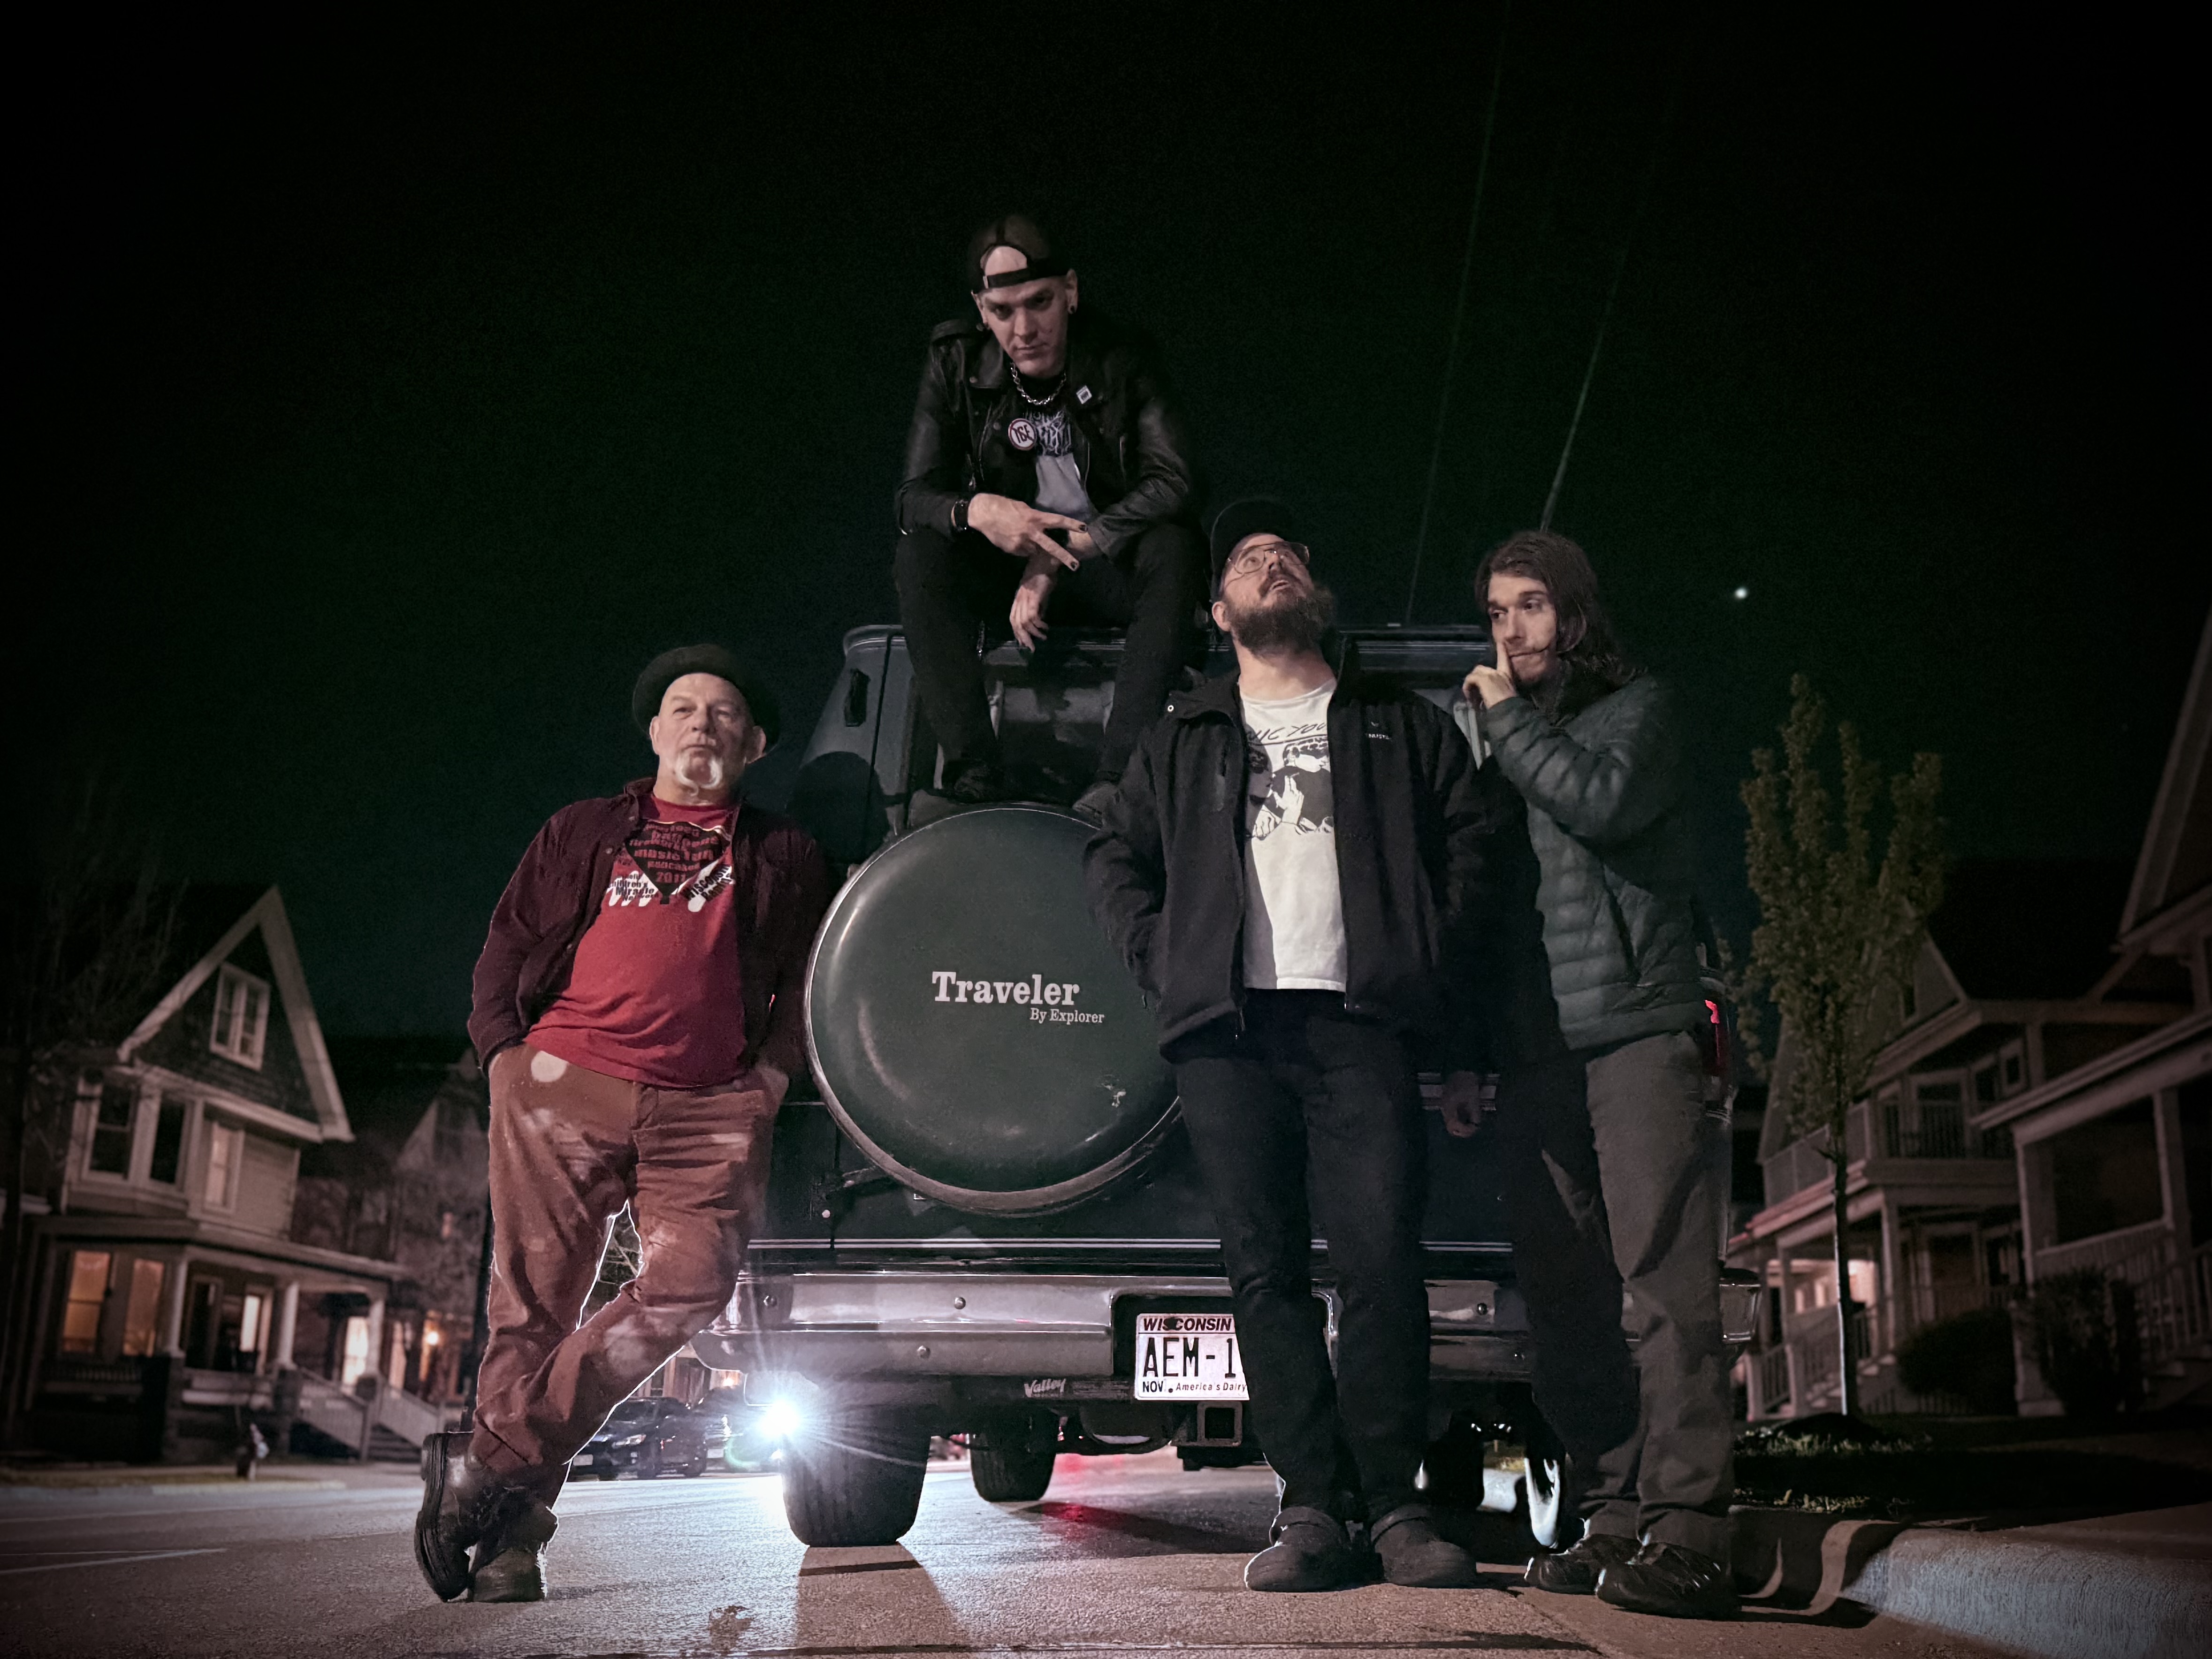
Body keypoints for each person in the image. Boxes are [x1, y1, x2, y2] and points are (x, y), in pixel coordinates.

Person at [1085, 501, 1562, 1592]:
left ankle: (1396, 1504)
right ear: (1217, 613)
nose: (1269, 563)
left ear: (1314, 593)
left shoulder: (1396, 721)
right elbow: (1112, 854)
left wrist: (1425, 957)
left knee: (1381, 1264)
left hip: (1362, 1026)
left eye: (1286, 555)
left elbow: (1474, 845)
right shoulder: (1184, 734)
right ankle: (1308, 1507)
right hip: (1228, 1036)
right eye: (1247, 562)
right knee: (1263, 1274)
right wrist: (1167, 957)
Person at [417, 645, 830, 1603]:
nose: (702, 724)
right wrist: (503, 1059)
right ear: (653, 733)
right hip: (563, 1082)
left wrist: (770, 1075)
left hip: (709, 1103)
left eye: (724, 713)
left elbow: (807, 981)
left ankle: (487, 1460)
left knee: (690, 1284)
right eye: (682, 708)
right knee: (533, 1304)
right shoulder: (582, 830)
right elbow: (510, 940)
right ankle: (510, 1542)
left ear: (755, 742)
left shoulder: (785, 853)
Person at [1451, 530, 1736, 1620]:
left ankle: (1692, 1529)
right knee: (1568, 1308)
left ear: (1571, 616)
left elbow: (1603, 804)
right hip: (1536, 1057)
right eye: (1493, 611)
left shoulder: (1640, 712)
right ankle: (1610, 1518)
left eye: (1528, 607)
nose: (1508, 630)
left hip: (1633, 1036)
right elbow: (1489, 919)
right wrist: (1476, 1051)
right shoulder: (1508, 747)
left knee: (1664, 1287)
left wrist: (1508, 725)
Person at [895, 213, 1207, 821]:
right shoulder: (955, 364)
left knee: (1174, 547)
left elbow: (1175, 480)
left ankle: (1119, 777)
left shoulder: (1121, 359)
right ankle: (973, 771)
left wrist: (1062, 551)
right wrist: (975, 509)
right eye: (1002, 310)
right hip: (1006, 574)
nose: (1023, 328)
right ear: (980, 309)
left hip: (1108, 566)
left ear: (1069, 291)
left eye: (1038, 303)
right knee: (921, 552)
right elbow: (911, 497)